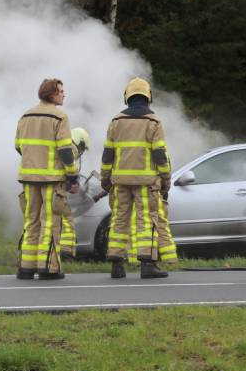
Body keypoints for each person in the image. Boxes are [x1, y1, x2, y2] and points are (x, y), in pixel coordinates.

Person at [99, 77, 174, 279]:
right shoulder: (153, 121)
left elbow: (108, 155)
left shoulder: (116, 121)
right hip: (146, 182)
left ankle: (116, 265)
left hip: (120, 182)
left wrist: (105, 178)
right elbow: (160, 155)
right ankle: (148, 265)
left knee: (119, 220)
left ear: (127, 97)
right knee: (146, 221)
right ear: (148, 96)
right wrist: (166, 179)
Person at [14, 78, 78, 280]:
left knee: (31, 222)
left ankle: (26, 267)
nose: (63, 94)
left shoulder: (25, 115)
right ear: (52, 94)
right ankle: (48, 267)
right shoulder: (60, 117)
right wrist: (72, 174)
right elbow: (66, 150)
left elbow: (18, 146)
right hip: (51, 179)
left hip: (28, 178)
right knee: (50, 222)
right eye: (60, 91)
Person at [58, 127, 91, 258]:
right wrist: (71, 184)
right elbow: (64, 173)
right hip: (57, 191)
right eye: (83, 147)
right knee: (67, 222)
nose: (81, 152)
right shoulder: (71, 150)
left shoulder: (63, 146)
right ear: (79, 142)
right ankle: (65, 253)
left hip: (48, 189)